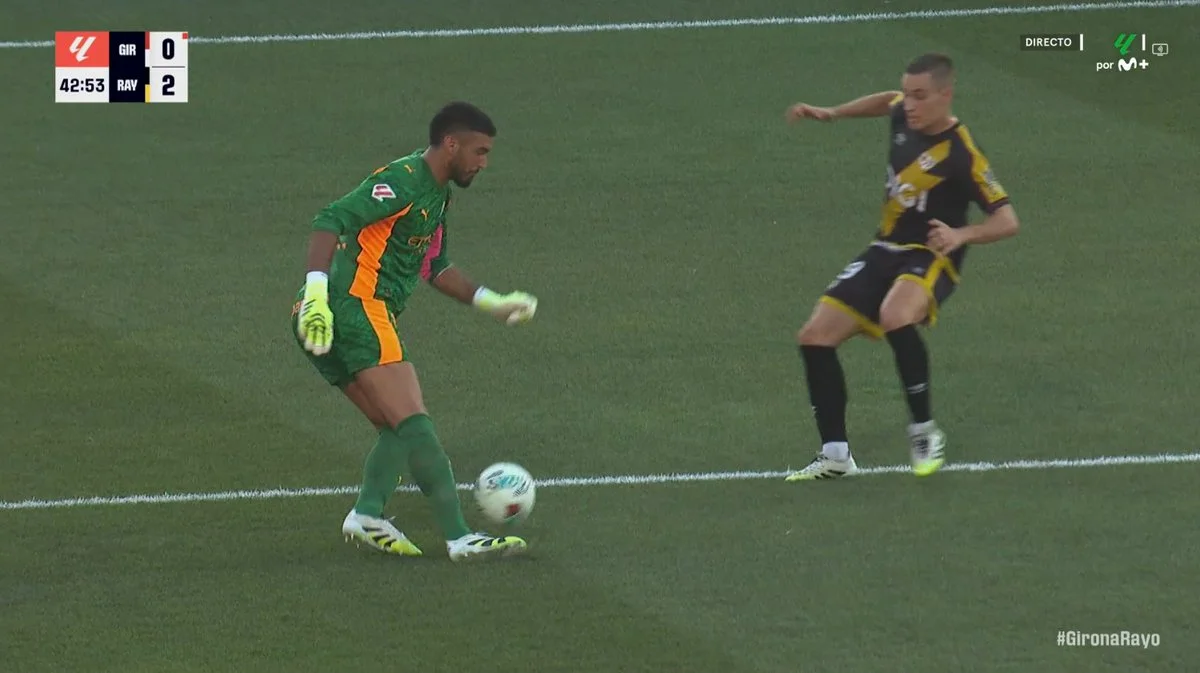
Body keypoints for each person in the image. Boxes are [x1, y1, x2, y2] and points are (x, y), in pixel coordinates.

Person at [292, 101, 538, 560]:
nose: (483, 163)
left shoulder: (437, 195)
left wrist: (493, 302)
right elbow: (330, 219)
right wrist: (317, 297)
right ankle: (460, 538)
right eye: (480, 152)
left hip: (348, 312)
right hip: (355, 308)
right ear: (451, 144)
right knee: (414, 422)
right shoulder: (403, 181)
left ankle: (367, 514)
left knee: (396, 429)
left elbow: (434, 266)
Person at [782, 53, 1020, 481]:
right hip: (884, 249)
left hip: (931, 254)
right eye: (908, 94)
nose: (909, 104)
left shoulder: (962, 153)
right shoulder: (903, 114)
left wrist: (961, 235)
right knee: (814, 337)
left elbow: (1007, 220)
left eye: (920, 96)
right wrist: (832, 113)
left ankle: (924, 432)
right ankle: (836, 456)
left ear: (945, 95)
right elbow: (886, 100)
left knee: (896, 315)